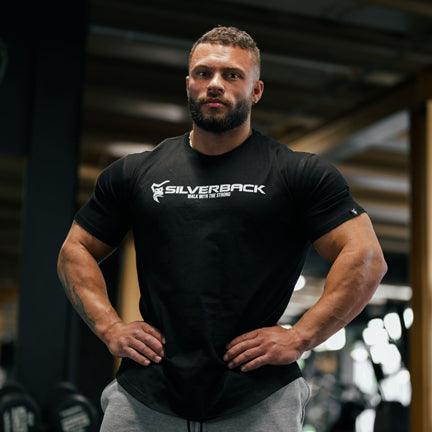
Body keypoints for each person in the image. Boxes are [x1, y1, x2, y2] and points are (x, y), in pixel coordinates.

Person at [57, 26, 387, 432]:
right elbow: (74, 251)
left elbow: (366, 257)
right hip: (146, 393)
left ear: (256, 90)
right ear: (188, 84)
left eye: (232, 75)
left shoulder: (299, 173)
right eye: (203, 73)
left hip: (258, 397)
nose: (215, 84)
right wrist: (110, 327)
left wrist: (300, 337)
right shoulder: (135, 173)